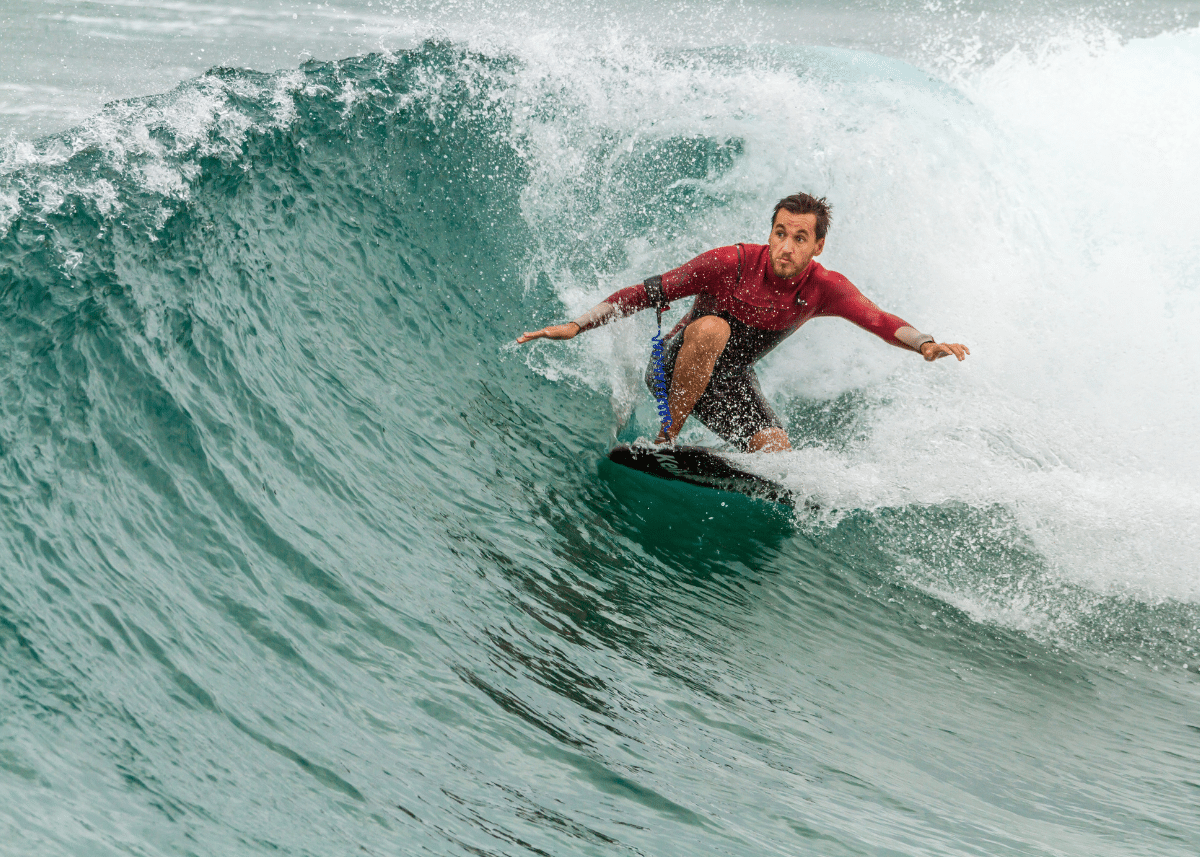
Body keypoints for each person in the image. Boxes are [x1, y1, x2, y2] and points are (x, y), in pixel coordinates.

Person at [517, 193, 969, 452]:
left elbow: (879, 319)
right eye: (780, 233)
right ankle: (665, 440)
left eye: (800, 238)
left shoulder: (822, 289)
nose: (786, 247)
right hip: (672, 369)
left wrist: (925, 343)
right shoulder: (729, 263)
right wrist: (577, 325)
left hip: (726, 383)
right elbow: (646, 293)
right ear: (770, 232)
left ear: (818, 246)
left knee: (778, 450)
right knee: (714, 328)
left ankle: (702, 453)